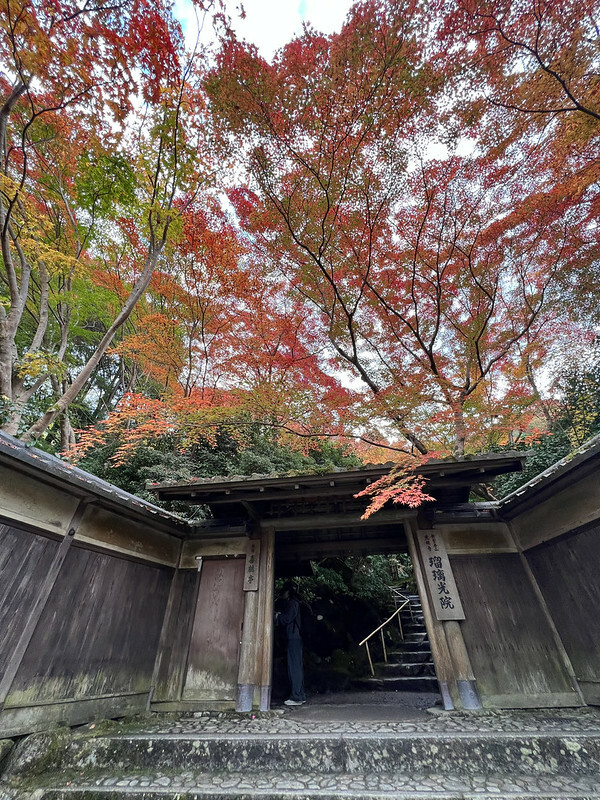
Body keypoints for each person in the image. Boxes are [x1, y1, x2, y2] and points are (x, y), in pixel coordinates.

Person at [275, 582, 306, 706]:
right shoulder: (297, 603)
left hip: (294, 638)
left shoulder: (293, 603)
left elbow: (287, 618)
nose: (282, 594)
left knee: (294, 667)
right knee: (297, 666)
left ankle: (296, 696)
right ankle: (300, 694)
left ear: (288, 592)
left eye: (283, 592)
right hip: (296, 637)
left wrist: (277, 616)